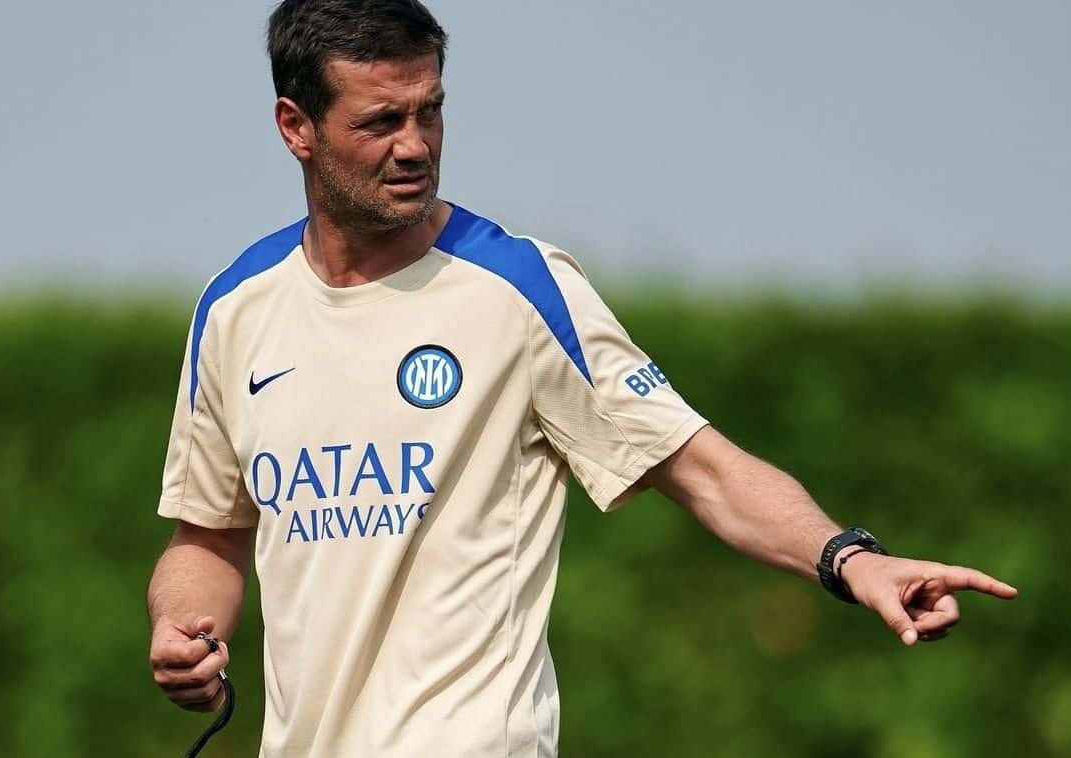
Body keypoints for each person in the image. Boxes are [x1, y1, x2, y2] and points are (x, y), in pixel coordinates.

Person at [146, 2, 1017, 756]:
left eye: (431, 111)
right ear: (295, 125)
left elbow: (703, 469)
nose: (415, 145)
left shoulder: (519, 288)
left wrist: (850, 560)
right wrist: (182, 630)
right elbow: (208, 537)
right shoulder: (235, 310)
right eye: (381, 121)